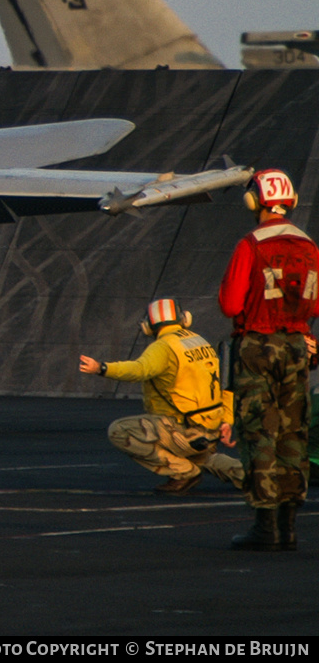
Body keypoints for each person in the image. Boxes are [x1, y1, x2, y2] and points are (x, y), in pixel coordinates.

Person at [218, 168, 319, 550]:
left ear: (254, 201)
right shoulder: (309, 246)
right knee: (294, 434)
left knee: (260, 433)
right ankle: (289, 527)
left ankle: (265, 527)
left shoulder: (250, 243)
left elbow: (230, 304)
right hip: (298, 345)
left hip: (258, 345)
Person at [78, 298, 242, 495]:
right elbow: (226, 385)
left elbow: (140, 370)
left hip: (183, 429)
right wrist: (227, 420)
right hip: (210, 430)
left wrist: (101, 368)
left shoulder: (164, 346)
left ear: (148, 326)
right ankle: (256, 477)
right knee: (202, 459)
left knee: (119, 431)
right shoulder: (199, 341)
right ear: (184, 319)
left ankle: (184, 472)